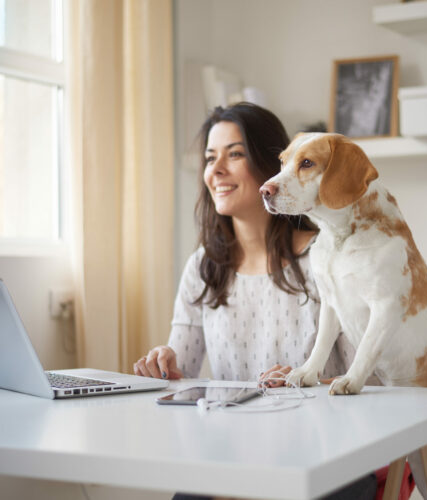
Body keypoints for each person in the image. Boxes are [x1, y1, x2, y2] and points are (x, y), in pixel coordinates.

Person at [134, 102, 377, 499]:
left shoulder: (325, 259)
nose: (216, 171)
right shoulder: (204, 266)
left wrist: (303, 382)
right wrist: (164, 363)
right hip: (231, 457)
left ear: (271, 166)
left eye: (235, 154)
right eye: (211, 158)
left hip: (325, 458)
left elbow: (368, 384)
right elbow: (183, 371)